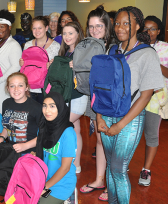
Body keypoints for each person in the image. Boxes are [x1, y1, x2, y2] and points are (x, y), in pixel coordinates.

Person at [97, 7, 163, 203]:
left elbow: (145, 96)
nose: (120, 27)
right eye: (117, 23)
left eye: (126, 23)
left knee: (119, 168)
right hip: (107, 114)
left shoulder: (147, 54)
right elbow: (102, 86)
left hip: (130, 119)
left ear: (137, 25)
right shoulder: (112, 50)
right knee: (110, 165)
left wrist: (120, 125)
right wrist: (99, 117)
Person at [79, 5, 112, 201]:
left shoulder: (113, 47)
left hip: (109, 102)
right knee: (100, 141)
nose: (94, 30)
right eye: (91, 26)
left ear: (107, 26)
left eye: (99, 26)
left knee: (109, 143)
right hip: (94, 101)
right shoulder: (89, 45)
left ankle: (112, 183)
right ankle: (100, 179)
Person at [50, 22, 86, 175]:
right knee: (75, 129)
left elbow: (88, 72)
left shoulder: (82, 52)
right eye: (64, 34)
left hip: (77, 97)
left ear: (78, 34)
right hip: (67, 96)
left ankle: (63, 163)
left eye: (71, 33)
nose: (67, 37)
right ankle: (75, 164)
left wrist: (77, 66)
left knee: (61, 125)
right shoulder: (65, 53)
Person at [138, 15, 168, 186]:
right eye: (145, 29)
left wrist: (153, 59)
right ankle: (123, 165)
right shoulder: (136, 46)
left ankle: (146, 170)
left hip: (155, 99)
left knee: (151, 135)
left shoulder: (165, 48)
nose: (149, 32)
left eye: (153, 29)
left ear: (159, 31)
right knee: (130, 133)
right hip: (135, 98)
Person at [36, 92, 77, 204]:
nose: (47, 110)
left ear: (60, 107)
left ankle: (69, 198)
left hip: (61, 184)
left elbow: (65, 168)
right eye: (44, 105)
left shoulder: (68, 133)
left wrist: (44, 187)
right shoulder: (43, 127)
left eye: (52, 106)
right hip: (44, 178)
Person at [0, 73, 41, 155]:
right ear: (8, 88)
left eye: (20, 85)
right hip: (11, 151)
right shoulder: (6, 103)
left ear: (26, 87)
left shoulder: (36, 107)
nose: (16, 89)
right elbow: (8, 126)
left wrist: (25, 146)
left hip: (29, 152)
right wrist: (2, 137)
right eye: (12, 86)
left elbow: (44, 135)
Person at [19, 16, 60, 104]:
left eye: (40, 28)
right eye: (34, 28)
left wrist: (52, 66)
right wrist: (21, 63)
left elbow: (58, 69)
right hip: (30, 87)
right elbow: (25, 66)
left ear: (46, 28)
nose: (37, 31)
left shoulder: (56, 46)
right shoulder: (28, 45)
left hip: (46, 88)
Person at [0, 9, 22, 114]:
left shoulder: (13, 44)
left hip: (6, 85)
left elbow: (15, 67)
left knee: (4, 114)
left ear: (10, 27)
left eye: (2, 27)